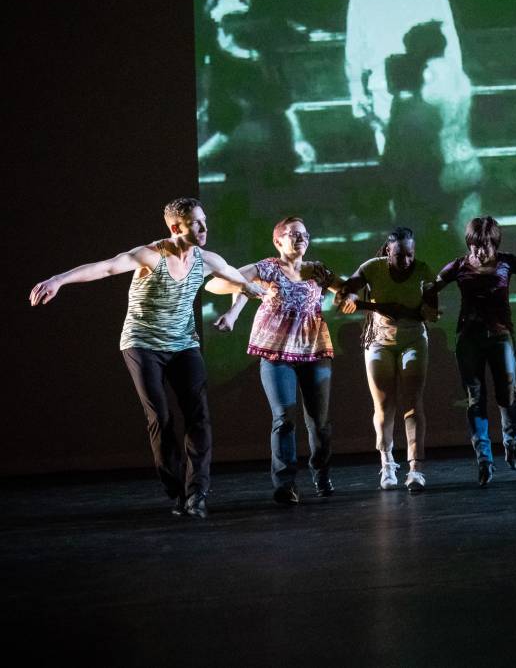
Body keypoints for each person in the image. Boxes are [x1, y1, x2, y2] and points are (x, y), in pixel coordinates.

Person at [29, 197, 265, 518]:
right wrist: (58, 280)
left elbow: (240, 280)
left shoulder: (206, 260)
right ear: (175, 227)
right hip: (142, 344)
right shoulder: (150, 255)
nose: (204, 228)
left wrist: (246, 298)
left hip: (183, 344)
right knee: (161, 417)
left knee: (198, 416)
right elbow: (107, 267)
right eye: (196, 223)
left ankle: (197, 492)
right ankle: (177, 490)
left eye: (204, 220)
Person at [212, 217, 347, 503]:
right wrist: (234, 312)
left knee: (319, 422)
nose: (301, 239)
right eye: (293, 234)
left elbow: (347, 288)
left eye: (305, 235)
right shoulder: (269, 267)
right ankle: (285, 484)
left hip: (313, 352)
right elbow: (227, 282)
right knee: (284, 418)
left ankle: (321, 475)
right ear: (278, 241)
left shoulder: (317, 270)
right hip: (276, 354)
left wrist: (348, 297)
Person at [344, 0, 469, 153]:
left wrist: (356, 90)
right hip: (431, 82)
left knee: (394, 161)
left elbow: (355, 48)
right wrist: (455, 79)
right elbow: (449, 35)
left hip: (386, 85)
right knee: (435, 156)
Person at [427, 217, 516, 486]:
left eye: (484, 246)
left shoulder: (507, 262)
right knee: (476, 398)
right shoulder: (459, 266)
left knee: (508, 392)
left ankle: (511, 440)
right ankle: (484, 458)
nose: (479, 252)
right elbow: (430, 286)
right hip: (469, 339)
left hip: (500, 336)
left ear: (494, 244)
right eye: (474, 246)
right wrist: (430, 308)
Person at [340, 227, 438, 493]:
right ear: (387, 252)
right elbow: (349, 288)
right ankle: (387, 462)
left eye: (410, 254)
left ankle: (416, 467)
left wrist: (429, 310)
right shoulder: (372, 267)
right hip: (378, 341)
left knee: (413, 402)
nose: (406, 260)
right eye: (399, 255)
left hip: (413, 339)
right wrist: (351, 298)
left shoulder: (422, 270)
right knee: (383, 405)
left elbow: (432, 307)